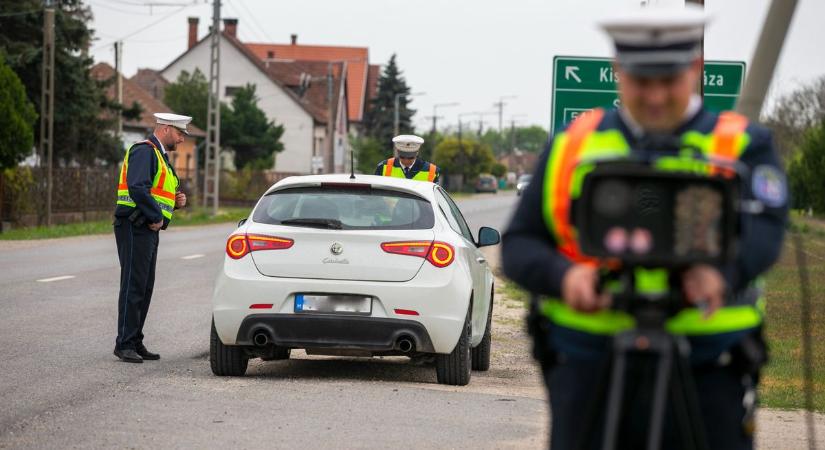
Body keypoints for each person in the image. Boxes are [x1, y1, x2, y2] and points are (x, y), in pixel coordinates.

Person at [501, 6, 788, 449]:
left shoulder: (743, 146)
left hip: (709, 363)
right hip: (589, 359)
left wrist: (721, 275)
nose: (655, 97)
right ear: (618, 72)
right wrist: (565, 277)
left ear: (695, 69)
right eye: (641, 82)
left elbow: (766, 234)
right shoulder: (573, 144)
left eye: (668, 81)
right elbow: (519, 244)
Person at [112, 113, 189, 363]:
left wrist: (175, 203)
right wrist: (156, 215)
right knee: (134, 285)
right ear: (166, 129)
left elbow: (158, 192)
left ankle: (135, 340)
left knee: (144, 287)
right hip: (135, 226)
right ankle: (124, 343)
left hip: (148, 228)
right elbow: (137, 187)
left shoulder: (160, 157)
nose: (181, 139)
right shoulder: (144, 151)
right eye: (179, 133)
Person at [374, 134, 440, 183]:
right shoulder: (383, 167)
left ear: (417, 152)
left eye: (410, 158)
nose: (406, 161)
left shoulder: (432, 171)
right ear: (397, 151)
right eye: (402, 157)